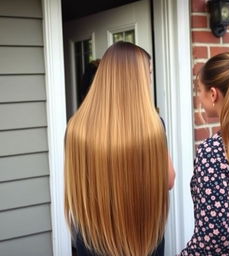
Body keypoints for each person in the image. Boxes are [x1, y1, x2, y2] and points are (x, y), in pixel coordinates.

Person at [64, 41, 175, 256]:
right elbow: (168, 180)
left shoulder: (75, 127)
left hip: (93, 238)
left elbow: (76, 189)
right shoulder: (153, 125)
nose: (149, 80)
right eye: (148, 73)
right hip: (143, 237)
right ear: (138, 79)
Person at [179, 43, 229, 255]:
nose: (199, 99)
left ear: (213, 94)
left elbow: (213, 235)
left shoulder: (213, 152)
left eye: (199, 91)